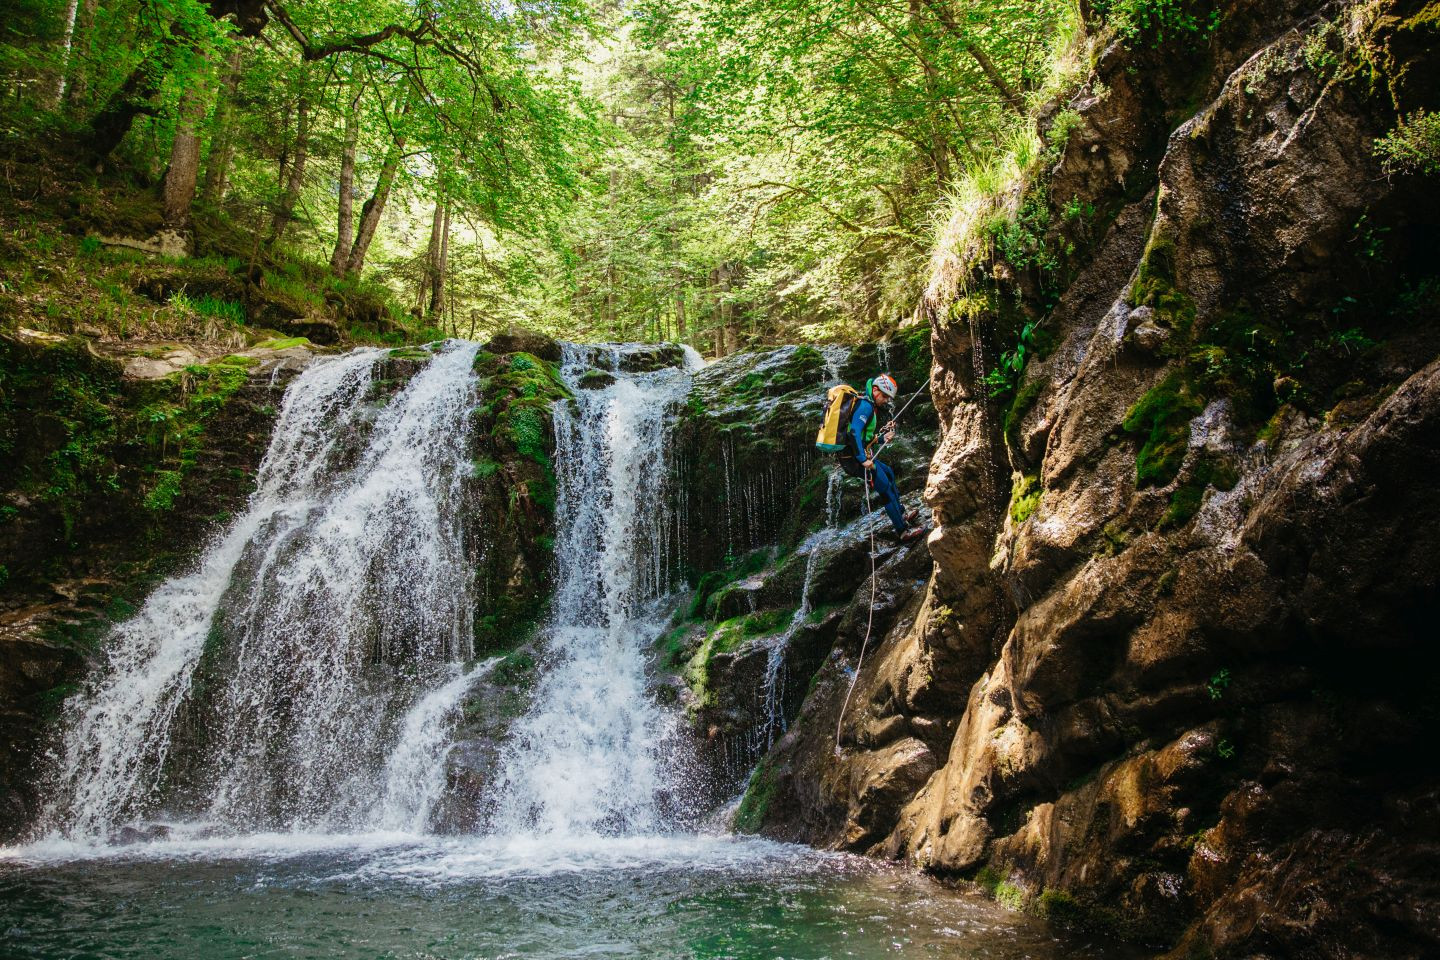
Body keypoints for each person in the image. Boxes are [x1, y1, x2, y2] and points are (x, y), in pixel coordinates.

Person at [838, 373, 925, 543]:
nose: (885, 400)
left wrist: (882, 438)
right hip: (854, 459)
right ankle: (903, 531)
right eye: (884, 396)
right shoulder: (865, 406)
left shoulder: (867, 404)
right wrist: (863, 459)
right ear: (875, 390)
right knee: (885, 488)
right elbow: (853, 432)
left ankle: (901, 514)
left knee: (889, 473)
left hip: (857, 455)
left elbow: (862, 437)